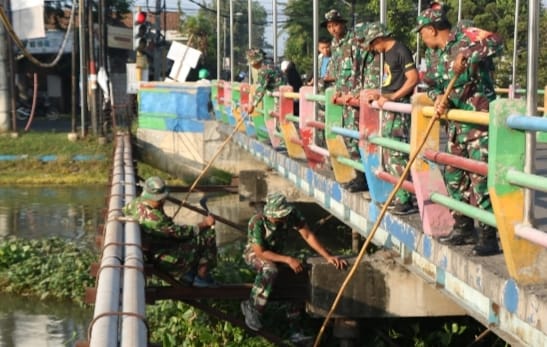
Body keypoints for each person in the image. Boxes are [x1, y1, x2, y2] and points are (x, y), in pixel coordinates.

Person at [414, 2, 503, 256]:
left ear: (431, 29)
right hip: (455, 128)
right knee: (455, 177)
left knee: (480, 179)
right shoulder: (433, 56)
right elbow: (429, 83)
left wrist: (468, 55)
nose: (422, 37)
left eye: (422, 31)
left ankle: (488, 235)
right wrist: (438, 96)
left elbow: (496, 41)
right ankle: (463, 226)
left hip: (477, 125)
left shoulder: (465, 38)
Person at [240, 192, 347, 336]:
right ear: (271, 214)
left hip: (277, 253)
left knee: (296, 275)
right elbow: (260, 253)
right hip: (255, 254)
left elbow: (308, 235)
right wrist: (288, 260)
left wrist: (327, 256)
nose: (284, 218)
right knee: (270, 270)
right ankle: (253, 308)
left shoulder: (292, 215)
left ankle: (295, 329)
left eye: (284, 215)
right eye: (280, 216)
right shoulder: (257, 221)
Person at [356, 22, 419, 215]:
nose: (373, 49)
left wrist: (393, 96)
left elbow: (413, 78)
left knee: (398, 153)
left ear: (380, 39)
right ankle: (399, 194)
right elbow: (390, 80)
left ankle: (406, 198)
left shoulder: (400, 50)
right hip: (387, 107)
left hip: (397, 109)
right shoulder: (386, 54)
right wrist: (379, 92)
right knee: (389, 153)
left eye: (373, 45)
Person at [122, 176, 219, 286]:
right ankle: (201, 276)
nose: (163, 200)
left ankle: (189, 273)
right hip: (163, 257)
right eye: (160, 199)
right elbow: (181, 234)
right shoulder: (155, 219)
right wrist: (205, 223)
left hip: (155, 249)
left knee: (194, 239)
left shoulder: (135, 204)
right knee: (207, 236)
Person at [323, 9, 368, 192]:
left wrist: (356, 92)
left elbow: (360, 70)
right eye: (330, 26)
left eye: (336, 24)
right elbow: (337, 72)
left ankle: (363, 176)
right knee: (349, 137)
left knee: (357, 136)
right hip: (343, 97)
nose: (333, 29)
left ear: (343, 24)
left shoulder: (354, 42)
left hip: (354, 97)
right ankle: (357, 174)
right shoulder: (335, 44)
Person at [246, 48, 285, 115]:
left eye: (252, 63)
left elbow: (261, 89)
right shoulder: (269, 63)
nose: (252, 65)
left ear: (256, 62)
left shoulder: (264, 70)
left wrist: (252, 105)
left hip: (280, 94)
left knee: (279, 116)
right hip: (282, 91)